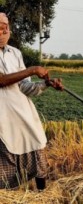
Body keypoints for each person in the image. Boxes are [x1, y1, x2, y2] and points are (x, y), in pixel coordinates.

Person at [0, 12, 63, 190]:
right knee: (5, 157)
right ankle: (6, 200)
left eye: (5, 27)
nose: (3, 31)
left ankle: (43, 195)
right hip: (2, 113)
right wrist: (32, 69)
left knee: (35, 146)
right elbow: (1, 81)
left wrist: (47, 84)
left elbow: (25, 87)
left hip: (22, 111)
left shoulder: (15, 53)